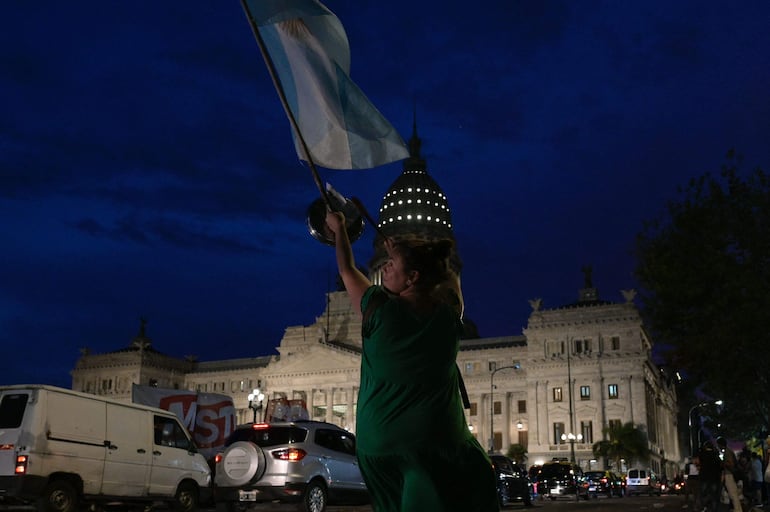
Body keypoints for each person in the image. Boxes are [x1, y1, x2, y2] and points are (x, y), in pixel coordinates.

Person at [325, 210, 499, 512]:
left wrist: (340, 229)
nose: (387, 269)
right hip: (441, 443)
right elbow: (451, 284)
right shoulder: (448, 319)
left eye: (392, 265)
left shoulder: (378, 313)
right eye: (387, 264)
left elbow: (347, 269)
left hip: (384, 446)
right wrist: (412, 256)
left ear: (413, 277)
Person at [699, 440, 723, 512]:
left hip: (704, 477)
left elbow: (699, 463)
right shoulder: (715, 455)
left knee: (704, 493)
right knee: (714, 495)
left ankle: (704, 507)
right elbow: (720, 466)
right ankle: (714, 509)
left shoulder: (702, 455)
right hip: (714, 477)